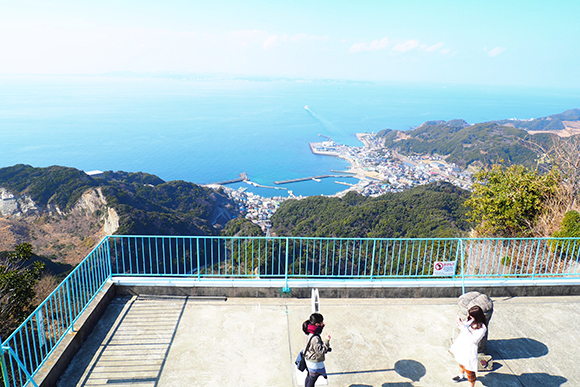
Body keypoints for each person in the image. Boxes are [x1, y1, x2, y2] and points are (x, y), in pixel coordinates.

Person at [449, 305, 488, 386]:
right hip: (462, 346)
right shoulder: (471, 320)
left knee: (470, 371)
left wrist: (463, 327)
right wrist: (459, 323)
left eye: (472, 315)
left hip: (469, 351)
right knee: (460, 362)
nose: (470, 317)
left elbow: (473, 340)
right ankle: (461, 376)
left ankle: (471, 385)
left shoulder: (482, 328)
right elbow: (463, 328)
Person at [302, 313, 331, 387]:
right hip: (314, 363)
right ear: (317, 324)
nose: (323, 323)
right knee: (312, 380)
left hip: (308, 359)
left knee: (309, 376)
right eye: (321, 322)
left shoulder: (308, 330)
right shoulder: (315, 338)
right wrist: (327, 341)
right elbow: (320, 351)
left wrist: (322, 327)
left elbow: (317, 331)